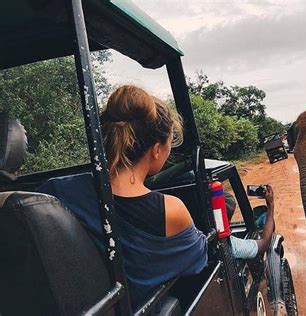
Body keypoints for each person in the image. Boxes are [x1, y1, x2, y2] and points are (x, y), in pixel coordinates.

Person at [39, 85, 275, 309]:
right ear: (156, 149)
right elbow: (205, 257)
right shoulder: (169, 210)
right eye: (170, 142)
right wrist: (270, 207)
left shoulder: (54, 191)